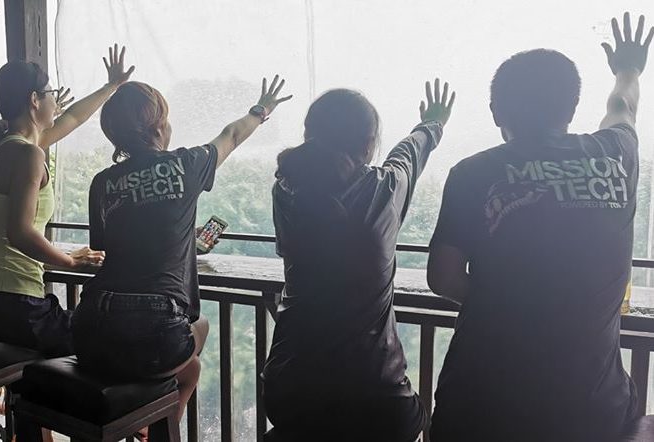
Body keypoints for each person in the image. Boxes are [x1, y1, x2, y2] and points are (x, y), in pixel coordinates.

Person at [427, 13, 651, 441]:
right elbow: (623, 107)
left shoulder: (473, 173)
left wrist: (510, 304)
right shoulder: (615, 155)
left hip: (482, 403)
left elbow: (442, 276)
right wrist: (628, 69)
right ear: (571, 107)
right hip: (589, 411)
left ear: (496, 111)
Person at [71, 75, 292, 422]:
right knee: (199, 327)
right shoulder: (186, 164)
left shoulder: (102, 182)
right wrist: (260, 110)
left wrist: (181, 236)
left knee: (190, 368)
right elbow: (232, 135)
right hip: (156, 332)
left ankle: (144, 422)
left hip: (90, 329)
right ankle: (158, 427)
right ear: (159, 127)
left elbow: (105, 246)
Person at [261, 81, 455, 441]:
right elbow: (408, 154)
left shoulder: (285, 189)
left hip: (291, 390)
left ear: (308, 134)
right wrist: (432, 124)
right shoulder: (384, 188)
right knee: (409, 417)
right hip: (376, 397)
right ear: (368, 145)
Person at [0, 45, 134, 355]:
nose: (56, 102)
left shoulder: (1, 149)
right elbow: (20, 232)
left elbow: (73, 117)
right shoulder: (28, 154)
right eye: (51, 94)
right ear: (34, 99)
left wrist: (110, 86)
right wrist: (69, 261)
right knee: (112, 345)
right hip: (10, 304)